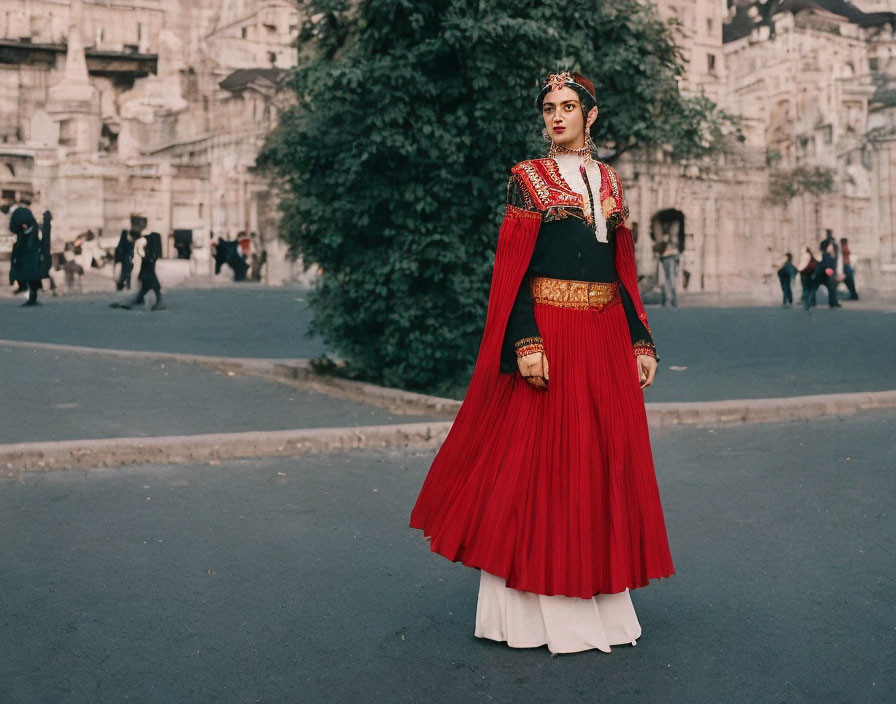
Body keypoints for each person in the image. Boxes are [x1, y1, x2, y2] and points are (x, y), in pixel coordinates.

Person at [409, 72, 674, 655]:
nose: (557, 116)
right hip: (551, 330)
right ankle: (531, 614)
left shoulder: (611, 183)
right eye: (549, 108)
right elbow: (513, 274)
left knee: (600, 465)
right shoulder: (527, 180)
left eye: (568, 106)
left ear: (590, 115)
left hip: (604, 336)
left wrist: (641, 340)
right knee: (544, 467)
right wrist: (526, 342)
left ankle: (597, 603)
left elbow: (622, 270)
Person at [8, 207, 51, 306]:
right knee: (30, 278)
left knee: (31, 278)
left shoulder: (29, 232)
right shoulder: (26, 232)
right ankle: (32, 295)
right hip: (29, 260)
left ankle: (32, 296)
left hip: (31, 260)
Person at [111, 231, 165, 310]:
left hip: (147, 271)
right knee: (149, 287)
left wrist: (140, 255)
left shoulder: (142, 242)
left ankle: (156, 302)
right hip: (147, 270)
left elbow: (143, 254)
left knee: (151, 286)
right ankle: (143, 301)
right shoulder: (146, 243)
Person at [815, 239, 841, 308]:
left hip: (824, 274)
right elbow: (825, 266)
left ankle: (833, 302)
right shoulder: (826, 255)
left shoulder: (828, 255)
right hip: (825, 275)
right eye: (830, 246)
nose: (831, 247)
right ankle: (833, 302)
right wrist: (831, 274)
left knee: (832, 288)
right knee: (832, 287)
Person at [796, 246, 818, 311]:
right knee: (810, 289)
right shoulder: (812, 257)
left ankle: (806, 304)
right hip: (811, 275)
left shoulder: (805, 257)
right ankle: (812, 302)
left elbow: (802, 266)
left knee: (806, 289)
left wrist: (800, 271)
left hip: (805, 275)